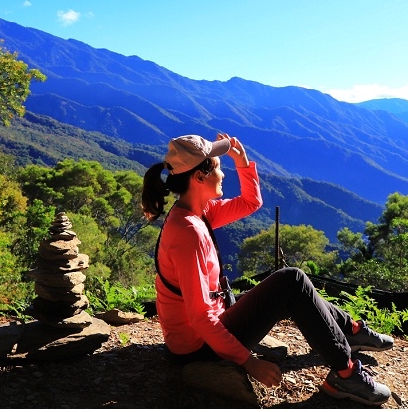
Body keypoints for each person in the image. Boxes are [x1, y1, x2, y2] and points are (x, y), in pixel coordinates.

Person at [141, 132, 394, 405]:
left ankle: (351, 330)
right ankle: (347, 374)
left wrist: (242, 162)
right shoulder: (188, 232)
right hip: (198, 347)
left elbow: (251, 203)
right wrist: (249, 363)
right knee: (291, 280)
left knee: (290, 283)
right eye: (218, 166)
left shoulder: (199, 213)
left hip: (210, 327)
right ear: (199, 177)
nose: (223, 174)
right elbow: (201, 317)